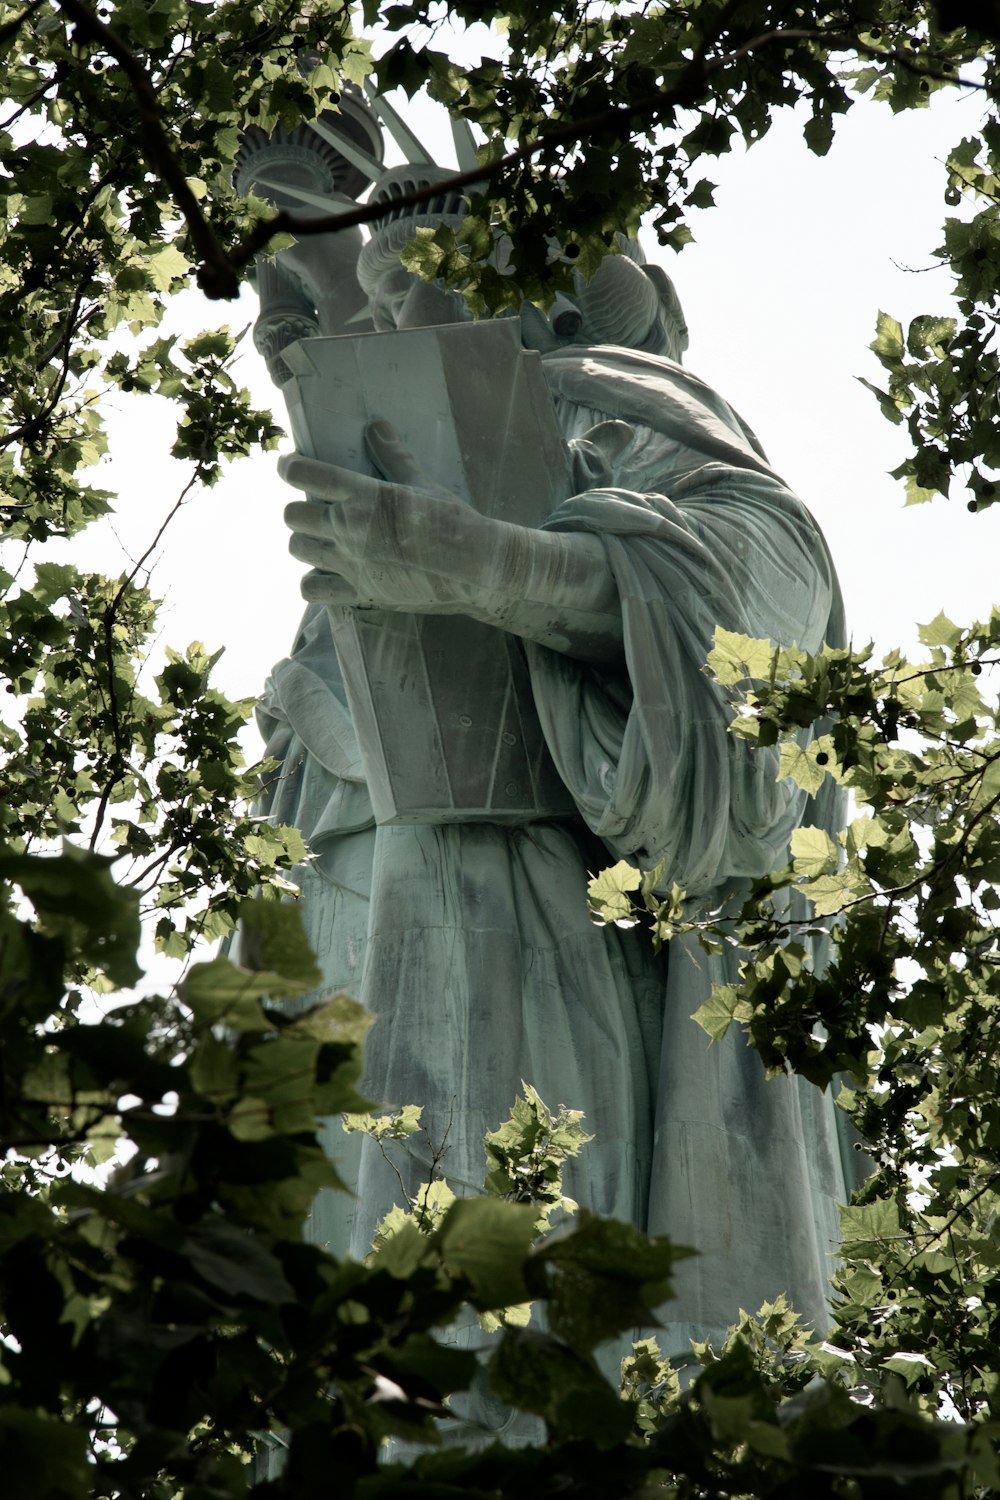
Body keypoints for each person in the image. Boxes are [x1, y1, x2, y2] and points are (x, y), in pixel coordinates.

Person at [255, 224, 861, 1390]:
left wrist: (493, 568)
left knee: (536, 1338)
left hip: (556, 920)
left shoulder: (629, 415)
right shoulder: (397, 438)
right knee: (371, 1339)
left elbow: (751, 604)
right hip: (358, 918)